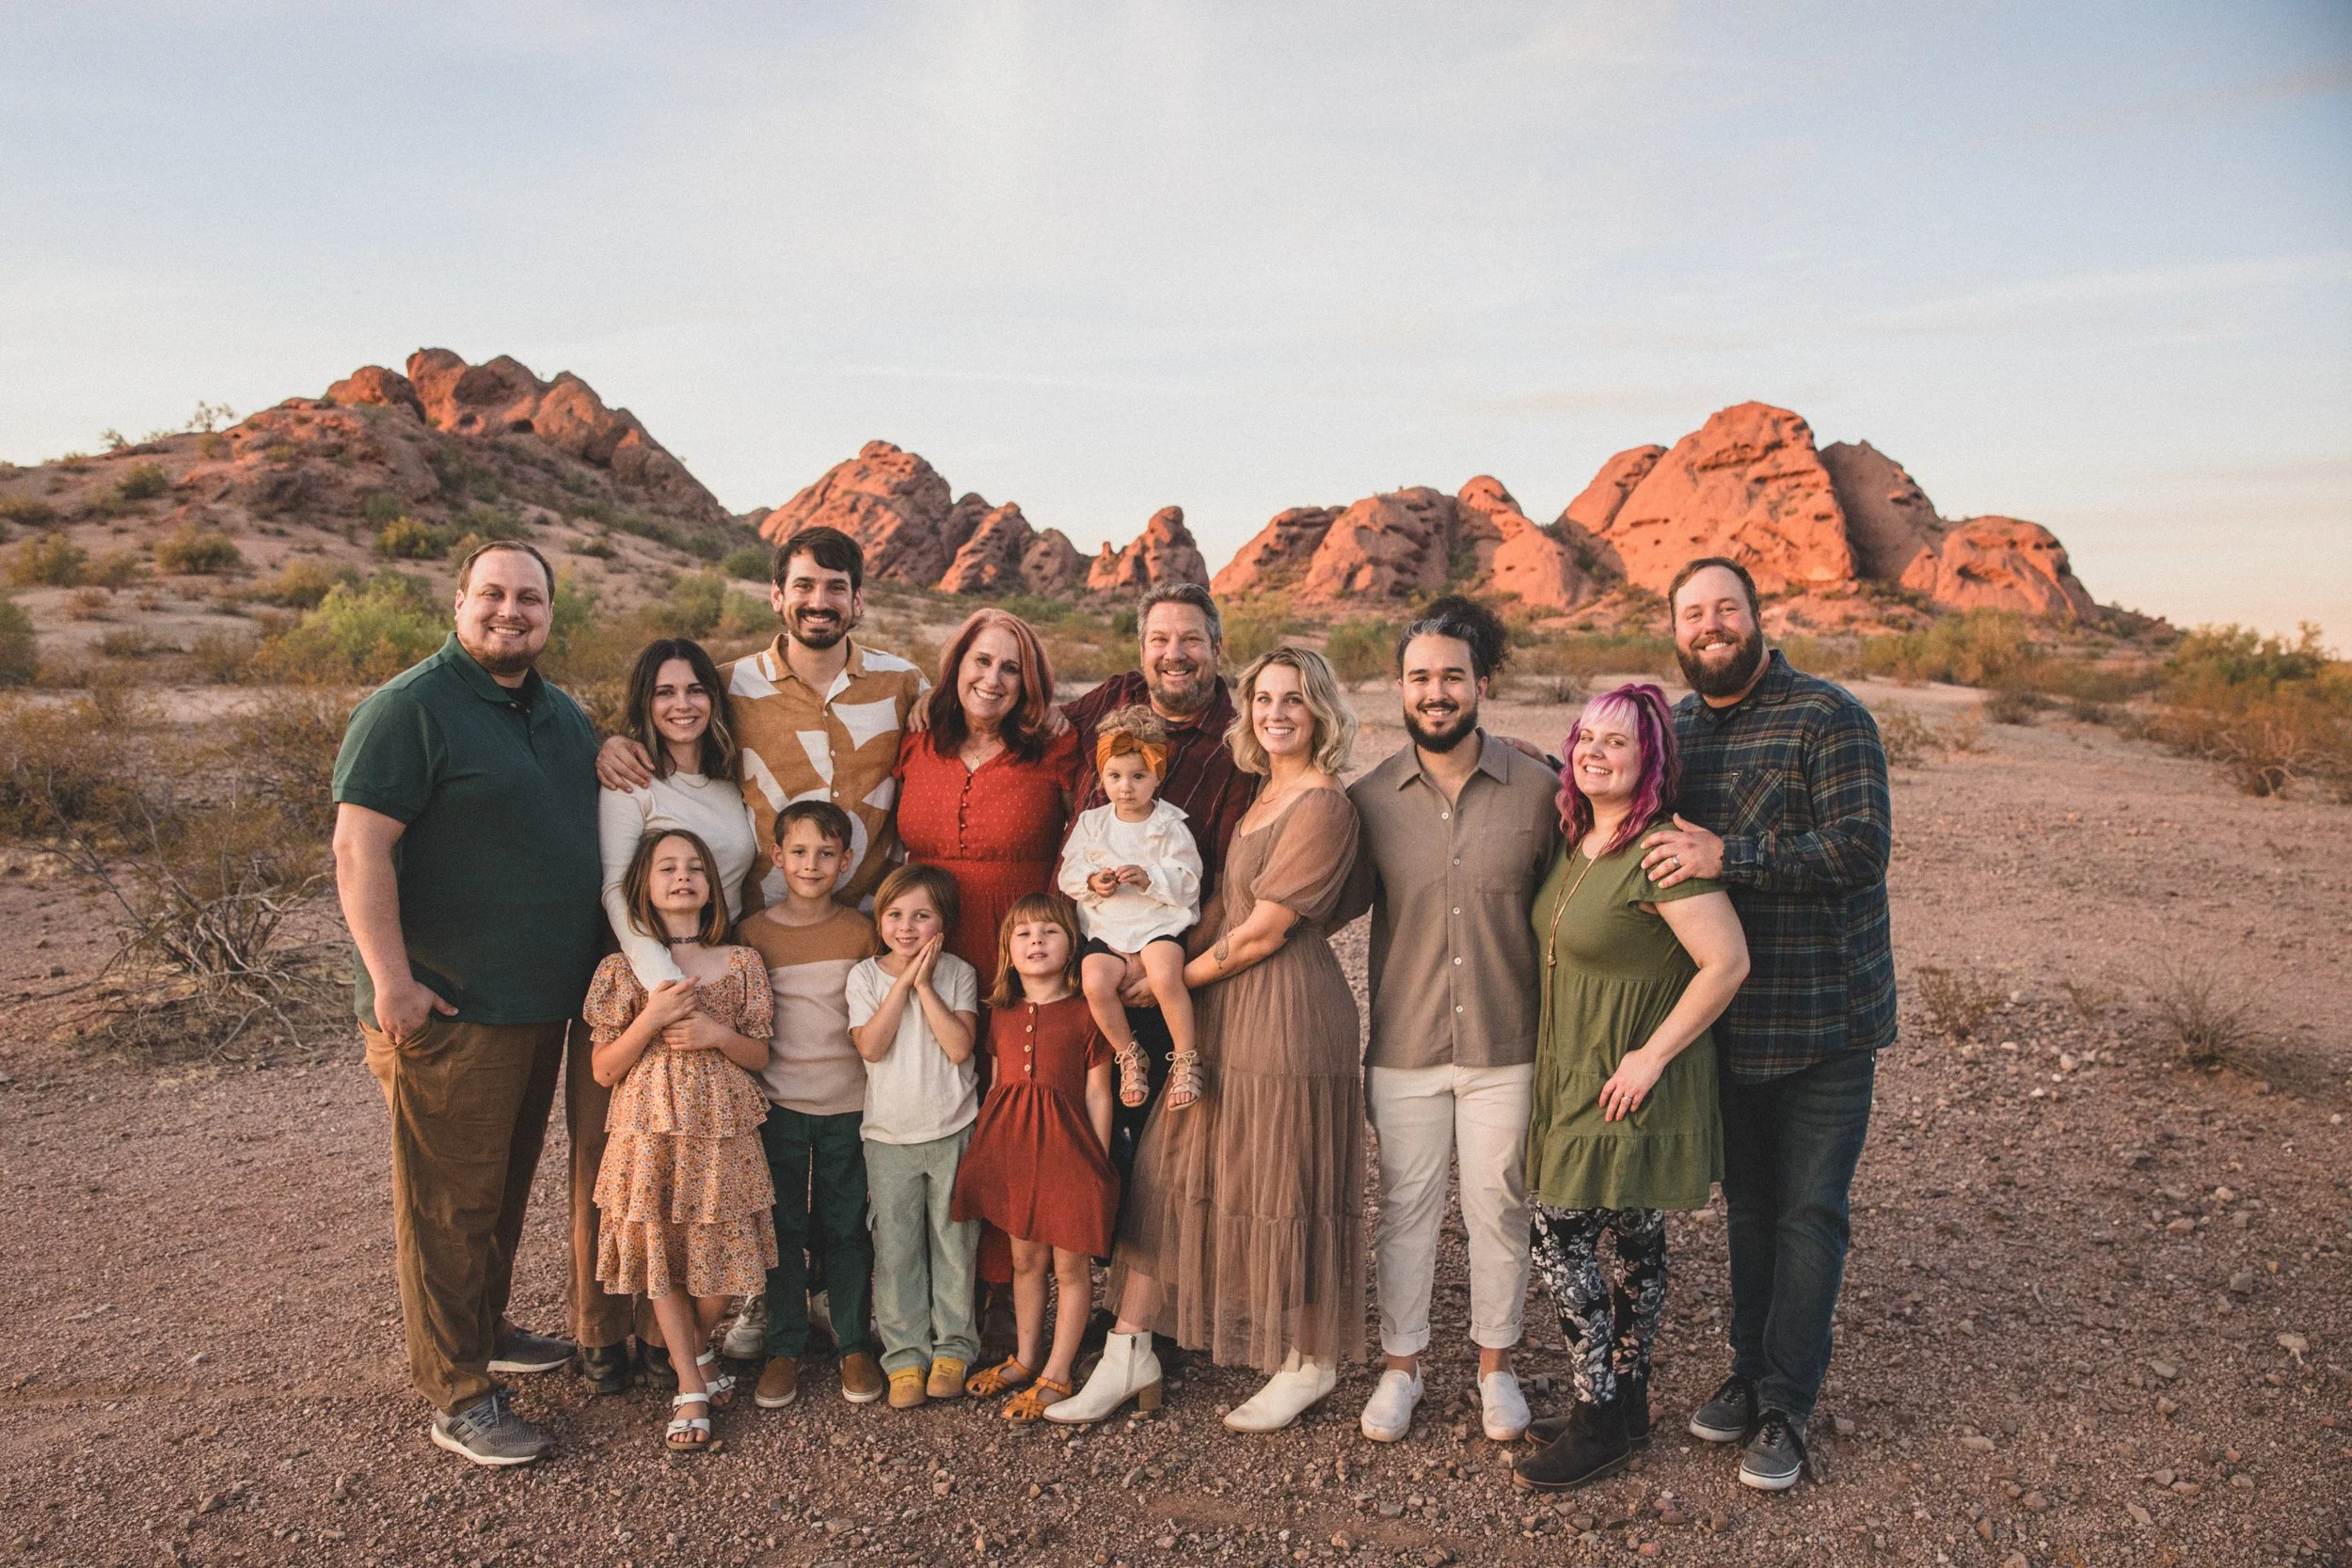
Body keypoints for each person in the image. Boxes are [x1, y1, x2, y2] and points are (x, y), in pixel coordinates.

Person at [597, 527, 927, 1368]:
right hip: (759, 942)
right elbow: (676, 730)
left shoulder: (903, 681)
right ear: (776, 594)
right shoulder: (732, 684)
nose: (821, 601)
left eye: (837, 587)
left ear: (859, 597)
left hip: (871, 940)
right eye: (804, 586)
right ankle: (766, 1294)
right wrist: (609, 741)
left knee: (867, 1123)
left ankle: (875, 1303)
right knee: (765, 1132)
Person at [330, 539, 601, 1466]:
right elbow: (358, 850)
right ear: (458, 603)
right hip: (450, 1008)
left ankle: (483, 1330)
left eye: (528, 597)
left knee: (499, 1191)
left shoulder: (561, 715)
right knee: (447, 1204)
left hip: (538, 1004)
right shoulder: (410, 709)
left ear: (548, 613)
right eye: (492, 594)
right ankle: (456, 1391)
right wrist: (393, 980)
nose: (510, 611)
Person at [1635, 557, 1893, 1493]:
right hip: (1729, 1022)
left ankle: (1787, 1403)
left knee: (1809, 1211)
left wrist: (1728, 853)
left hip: (1826, 1016)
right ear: (1675, 626)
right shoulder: (1679, 728)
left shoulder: (1829, 716)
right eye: (1692, 613)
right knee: (1746, 1208)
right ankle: (1747, 1373)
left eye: (1724, 609)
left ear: (1756, 616)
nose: (1709, 625)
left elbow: (1861, 848)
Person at [1058, 647, 1364, 1432]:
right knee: (1173, 1160)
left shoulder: (1323, 803)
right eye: (1263, 698)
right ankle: (1130, 1350)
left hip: (1288, 1007)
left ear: (1320, 708)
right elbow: (1218, 907)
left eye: (1293, 698)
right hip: (1227, 1001)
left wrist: (1176, 980)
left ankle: (1309, 1358)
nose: (1275, 712)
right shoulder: (1265, 791)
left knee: (1282, 1175)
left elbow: (1264, 931)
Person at [1510, 685, 1750, 1492]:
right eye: (1586, 736)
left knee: (1561, 1233)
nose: (1596, 751)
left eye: (1618, 741)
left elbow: (1727, 962)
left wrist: (1651, 1056)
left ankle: (1597, 1416)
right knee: (1638, 1234)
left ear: (1650, 759)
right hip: (1581, 1064)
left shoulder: (1658, 849)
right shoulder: (1582, 837)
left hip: (1630, 1073)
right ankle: (1630, 1400)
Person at [1335, 596, 1561, 1447]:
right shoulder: (1369, 800)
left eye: (1452, 677)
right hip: (1405, 1045)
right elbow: (1321, 902)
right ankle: (1403, 1367)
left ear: (1482, 684)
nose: (1437, 692)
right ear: (1400, 687)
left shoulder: (1539, 791)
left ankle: (1495, 1367)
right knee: (1405, 1206)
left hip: (1510, 1042)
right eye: (1421, 677)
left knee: (1500, 1204)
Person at [576, 637, 762, 1394]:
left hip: (721, 969)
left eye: (695, 689)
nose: (681, 704)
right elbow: (619, 892)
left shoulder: (728, 783)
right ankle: (604, 1333)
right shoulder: (629, 781)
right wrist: (663, 988)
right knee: (627, 1168)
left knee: (712, 1174)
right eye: (663, 691)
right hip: (654, 984)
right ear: (642, 703)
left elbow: (740, 884)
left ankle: (675, 1340)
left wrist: (722, 984)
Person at [584, 830, 778, 1453]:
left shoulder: (740, 960)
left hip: (720, 1129)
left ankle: (690, 1347)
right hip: (647, 1128)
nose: (682, 876)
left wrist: (713, 1033)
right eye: (666, 866)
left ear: (711, 884)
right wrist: (651, 1017)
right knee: (661, 1253)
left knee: (722, 1254)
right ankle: (690, 1383)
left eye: (695, 865)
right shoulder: (622, 968)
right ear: (643, 883)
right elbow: (603, 1068)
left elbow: (760, 1051)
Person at [1058, 584, 1261, 1164]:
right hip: (1088, 948)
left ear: (1217, 648)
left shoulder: (1239, 743)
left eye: (1191, 639)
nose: (1175, 653)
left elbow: (1223, 877)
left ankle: (1159, 1254)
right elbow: (1034, 725)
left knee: (1164, 1147)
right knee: (1086, 1124)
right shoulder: (1114, 698)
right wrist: (929, 700)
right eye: (1160, 639)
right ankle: (1097, 1249)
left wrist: (1173, 967)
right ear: (1141, 648)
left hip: (1169, 956)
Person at [733, 800, 887, 1410]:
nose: (812, 863)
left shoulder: (861, 931)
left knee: (847, 1227)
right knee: (782, 1229)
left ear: (846, 860)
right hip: (777, 1110)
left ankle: (852, 1341)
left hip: (850, 1107)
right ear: (777, 856)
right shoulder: (754, 933)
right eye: (798, 851)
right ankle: (783, 1346)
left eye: (827, 852)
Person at [952, 894, 1120, 1420]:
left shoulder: (1087, 1012)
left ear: (1071, 946)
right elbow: (1002, 1085)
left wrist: (1098, 1159)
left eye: (1049, 932)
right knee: (1025, 1260)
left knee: (1070, 1268)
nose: (1036, 943)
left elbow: (1098, 1092)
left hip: (1070, 1152)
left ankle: (1060, 1372)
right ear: (1008, 949)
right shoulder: (1000, 1012)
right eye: (1023, 935)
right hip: (1014, 1152)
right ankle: (1026, 1358)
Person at [847, 863, 982, 1410]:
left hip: (951, 1128)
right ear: (880, 920)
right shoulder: (863, 977)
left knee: (954, 1243)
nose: (907, 927)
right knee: (897, 1247)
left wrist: (924, 984)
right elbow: (871, 1047)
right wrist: (901, 982)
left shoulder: (958, 973)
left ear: (942, 924)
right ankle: (904, 1356)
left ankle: (953, 1347)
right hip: (888, 1136)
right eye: (895, 915)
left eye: (921, 916)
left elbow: (958, 1047)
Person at [1057, 704, 1202, 1111]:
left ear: (1158, 776)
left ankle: (1187, 1058)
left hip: (1157, 925)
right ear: (1101, 777)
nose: (1126, 787)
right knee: (1094, 982)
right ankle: (1128, 1052)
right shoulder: (1093, 823)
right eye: (1115, 776)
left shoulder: (1169, 825)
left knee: (1165, 974)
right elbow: (1069, 874)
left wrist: (1151, 876)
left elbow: (1190, 880)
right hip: (1109, 931)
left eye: (1138, 776)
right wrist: (1092, 881)